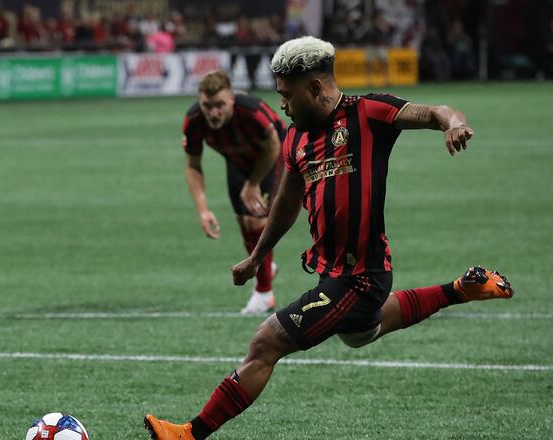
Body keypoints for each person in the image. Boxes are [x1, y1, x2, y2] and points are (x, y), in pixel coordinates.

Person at [144, 36, 513, 440]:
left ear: (315, 88)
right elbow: (285, 203)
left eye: (286, 95)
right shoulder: (296, 137)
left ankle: (188, 434)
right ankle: (460, 288)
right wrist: (256, 258)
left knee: (266, 342)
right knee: (361, 334)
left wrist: (454, 124)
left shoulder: (369, 112)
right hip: (334, 274)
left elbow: (435, 111)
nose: (281, 104)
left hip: (361, 277)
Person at [182, 70, 286, 315]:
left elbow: (274, 146)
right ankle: (263, 265)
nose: (213, 112)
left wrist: (253, 184)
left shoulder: (251, 112)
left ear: (231, 98)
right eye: (208, 106)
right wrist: (203, 209)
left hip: (275, 155)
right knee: (244, 220)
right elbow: (193, 166)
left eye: (219, 105)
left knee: (256, 217)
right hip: (236, 161)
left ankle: (264, 293)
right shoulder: (194, 120)